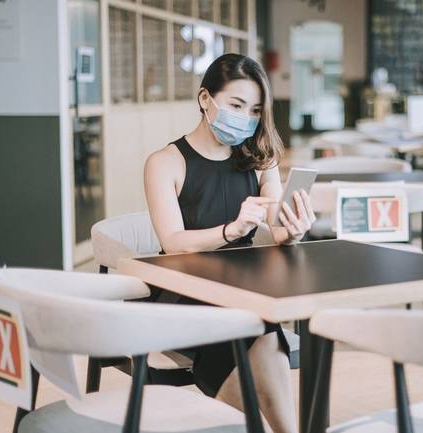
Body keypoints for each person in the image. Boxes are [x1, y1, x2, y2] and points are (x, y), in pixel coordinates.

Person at [144, 54, 315, 433]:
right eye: (236, 105)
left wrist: (294, 229)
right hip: (182, 289)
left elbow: (275, 223)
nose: (246, 118)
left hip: (243, 289)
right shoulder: (165, 162)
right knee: (251, 326)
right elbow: (172, 243)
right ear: (206, 99)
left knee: (262, 328)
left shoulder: (259, 158)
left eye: (254, 110)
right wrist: (231, 231)